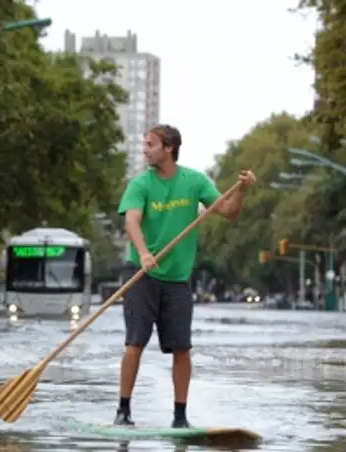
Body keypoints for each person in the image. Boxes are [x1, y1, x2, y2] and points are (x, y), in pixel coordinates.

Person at [114, 124, 255, 428]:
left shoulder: (194, 181)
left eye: (150, 144)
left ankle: (180, 417)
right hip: (141, 274)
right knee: (134, 343)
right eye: (144, 144)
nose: (145, 149)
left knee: (182, 348)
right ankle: (123, 411)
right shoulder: (140, 184)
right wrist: (144, 253)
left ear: (169, 148)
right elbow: (132, 223)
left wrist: (241, 190)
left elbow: (229, 211)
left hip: (177, 280)